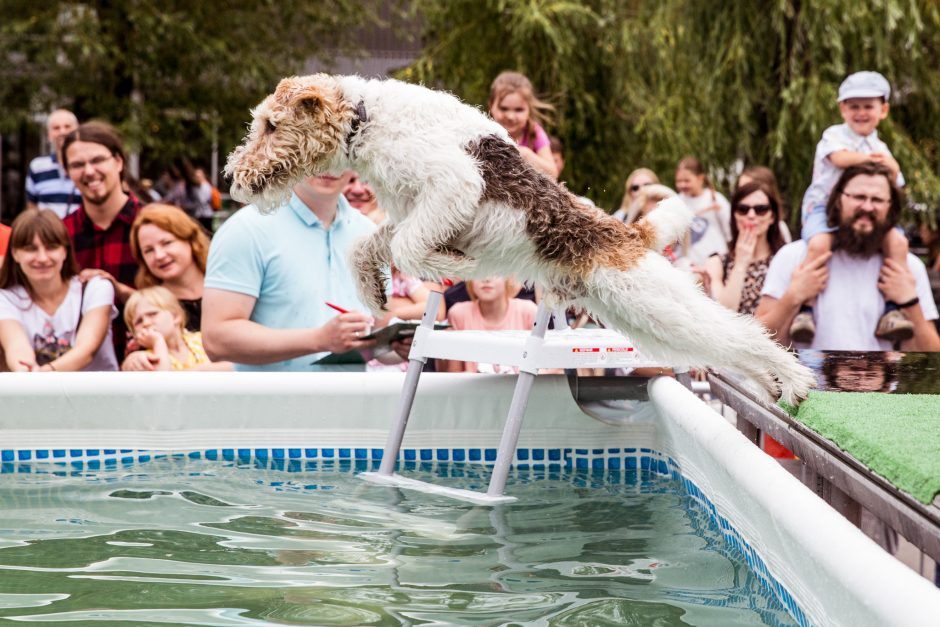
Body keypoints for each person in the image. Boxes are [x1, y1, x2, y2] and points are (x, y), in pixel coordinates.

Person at [756, 162, 940, 352]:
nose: (867, 207)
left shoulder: (907, 267)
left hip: (882, 381)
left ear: (890, 207)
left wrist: (909, 302)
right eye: (859, 197)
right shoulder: (795, 257)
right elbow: (756, 346)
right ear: (838, 200)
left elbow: (933, 359)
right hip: (808, 381)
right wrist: (793, 297)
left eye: (877, 199)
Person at [202, 173, 378, 370]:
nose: (330, 166)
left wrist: (400, 344)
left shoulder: (369, 232)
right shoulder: (246, 228)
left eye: (340, 153)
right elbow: (216, 340)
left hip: (353, 397)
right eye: (319, 151)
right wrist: (318, 339)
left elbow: (378, 329)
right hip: (274, 399)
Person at [793, 71, 909, 343]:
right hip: (824, 207)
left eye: (868, 106)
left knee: (899, 244)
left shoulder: (880, 146)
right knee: (819, 244)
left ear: (883, 110)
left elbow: (896, 182)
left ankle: (893, 309)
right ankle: (806, 309)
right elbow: (839, 158)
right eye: (853, 106)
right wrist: (877, 161)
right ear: (842, 109)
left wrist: (892, 167)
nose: (861, 113)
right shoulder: (835, 135)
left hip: (863, 213)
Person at [0, 209, 117, 371]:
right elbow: (16, 347)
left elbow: (86, 350)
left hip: (98, 394)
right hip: (38, 394)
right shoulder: (5, 298)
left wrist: (43, 374)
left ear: (65, 251)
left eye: (51, 247)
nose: (42, 258)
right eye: (30, 249)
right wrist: (26, 370)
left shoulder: (94, 288)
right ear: (15, 253)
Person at [61, 121, 141, 358]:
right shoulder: (59, 235)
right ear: (68, 172)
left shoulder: (155, 227)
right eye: (77, 164)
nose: (88, 171)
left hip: (147, 371)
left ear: (118, 162)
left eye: (97, 160)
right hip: (78, 375)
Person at [121, 204, 211, 371]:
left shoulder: (226, 287)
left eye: (167, 243)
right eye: (148, 250)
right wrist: (134, 359)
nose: (159, 255)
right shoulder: (148, 305)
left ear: (190, 239)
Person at [704, 180, 787, 315]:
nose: (751, 215)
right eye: (743, 209)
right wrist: (740, 264)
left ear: (772, 216)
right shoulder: (717, 262)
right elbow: (724, 314)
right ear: (734, 215)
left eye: (761, 209)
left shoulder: (785, 259)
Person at [443, 277, 538, 373]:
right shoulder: (458, 314)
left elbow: (543, 368)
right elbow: (454, 374)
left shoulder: (529, 311)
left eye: (494, 270)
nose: (486, 279)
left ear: (508, 278)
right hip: (474, 387)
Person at [123, 286, 230, 371]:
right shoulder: (146, 357)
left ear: (175, 316)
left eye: (152, 314)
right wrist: (158, 342)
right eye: (138, 321)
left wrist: (200, 370)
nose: (146, 323)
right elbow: (162, 382)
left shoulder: (202, 339)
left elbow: (235, 366)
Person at [488, 71, 558, 178]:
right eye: (503, 108)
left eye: (519, 110)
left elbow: (553, 174)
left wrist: (527, 155)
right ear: (491, 105)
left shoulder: (533, 132)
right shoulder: (485, 132)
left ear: (529, 109)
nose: (510, 116)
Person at [674, 156, 732, 266]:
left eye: (687, 180)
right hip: (688, 266)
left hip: (717, 262)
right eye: (679, 181)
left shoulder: (715, 198)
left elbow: (729, 230)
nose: (682, 185)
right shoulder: (676, 201)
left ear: (700, 178)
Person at [25, 109, 80, 219]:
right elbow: (32, 207)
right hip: (47, 233)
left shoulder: (88, 166)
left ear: (77, 131)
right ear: (49, 135)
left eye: (67, 126)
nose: (62, 132)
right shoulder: (37, 167)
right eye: (56, 128)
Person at [734, 165, 792, 243]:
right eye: (740, 188)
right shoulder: (737, 221)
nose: (744, 192)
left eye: (749, 188)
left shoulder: (780, 228)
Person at [547, 136, 595, 208]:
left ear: (563, 162)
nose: (551, 165)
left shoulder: (581, 202)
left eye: (555, 161)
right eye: (547, 160)